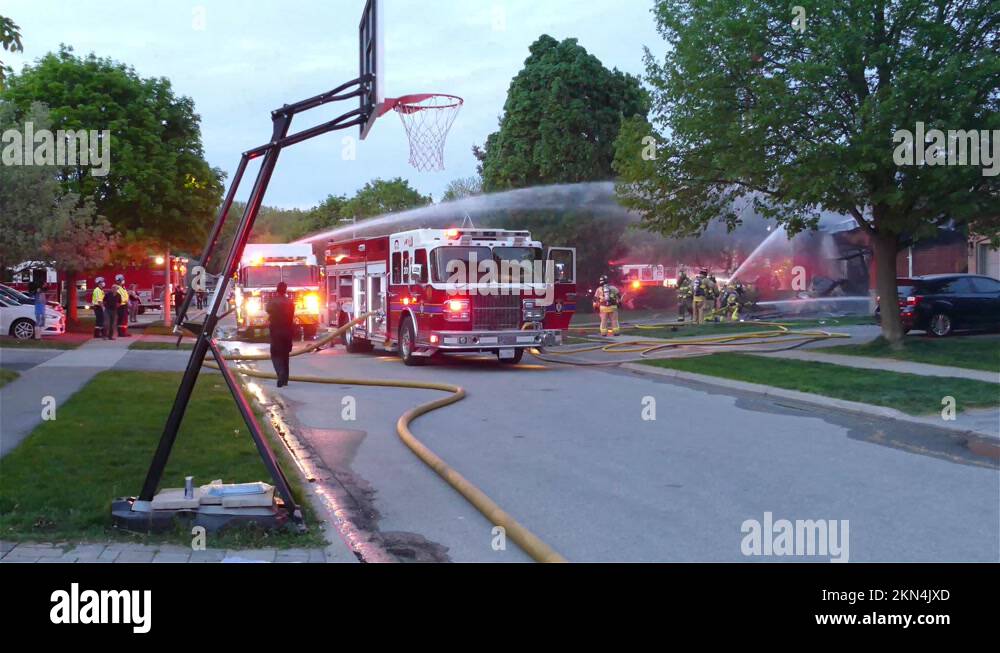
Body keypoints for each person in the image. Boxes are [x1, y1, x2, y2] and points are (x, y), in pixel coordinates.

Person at [265, 281, 296, 387]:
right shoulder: (290, 302)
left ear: (277, 290)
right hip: (288, 331)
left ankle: (280, 374)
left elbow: (267, 310)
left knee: (275, 354)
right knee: (285, 355)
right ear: (285, 290)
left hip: (276, 331)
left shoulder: (272, 302)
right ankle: (285, 379)